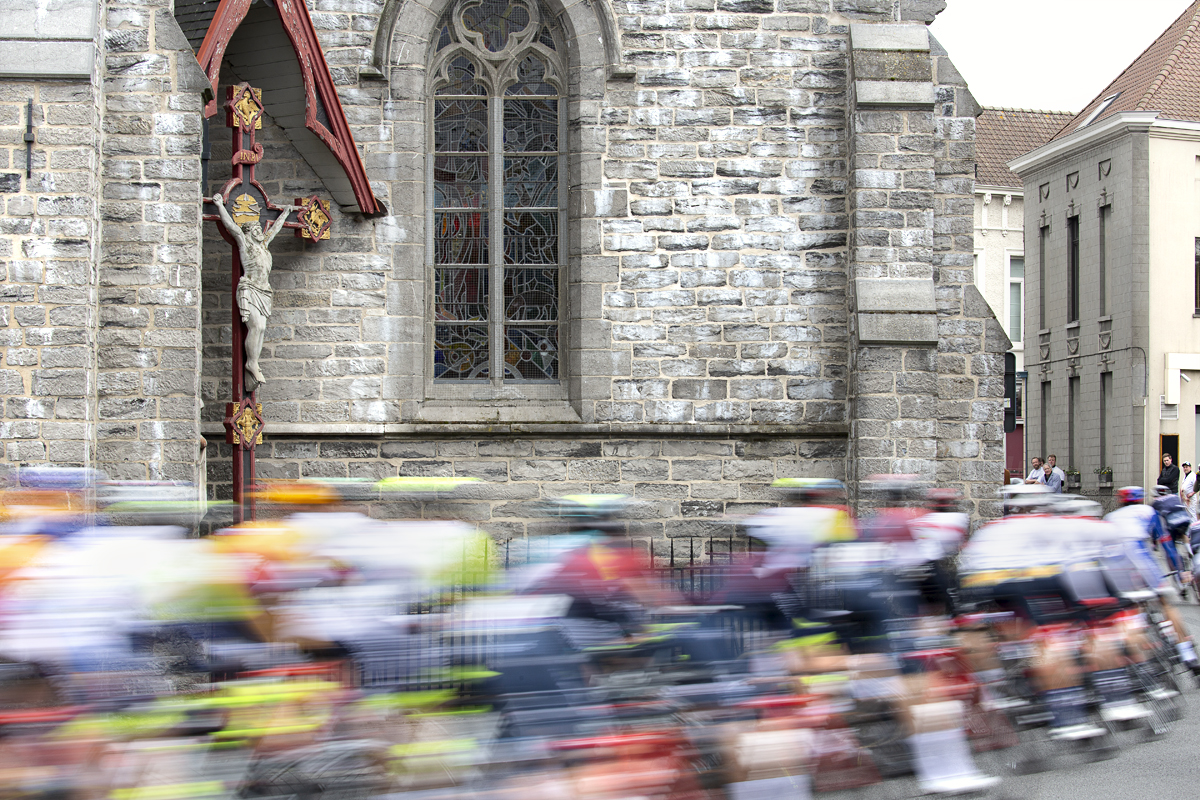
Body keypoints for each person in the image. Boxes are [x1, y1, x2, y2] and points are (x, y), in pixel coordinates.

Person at [211, 193, 302, 391]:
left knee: (261, 328)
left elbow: (275, 229)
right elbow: (230, 226)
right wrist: (219, 205)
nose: (259, 231)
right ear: (249, 231)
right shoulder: (245, 243)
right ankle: (251, 362)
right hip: (249, 289)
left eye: (259, 229)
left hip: (263, 291)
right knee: (256, 327)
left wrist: (285, 213)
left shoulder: (263, 244)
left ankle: (254, 362)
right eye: (255, 229)